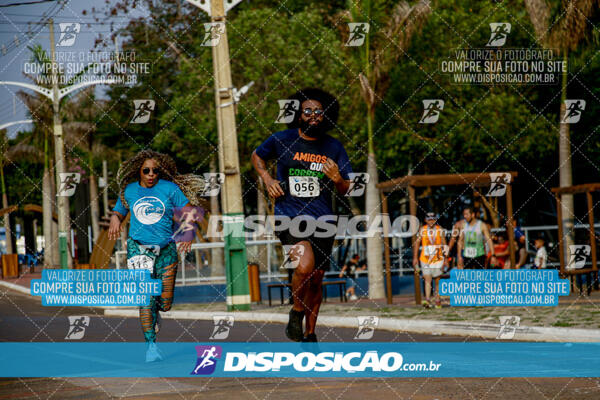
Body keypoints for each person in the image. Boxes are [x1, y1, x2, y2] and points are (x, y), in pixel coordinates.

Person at [251, 88, 352, 342]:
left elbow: (346, 187)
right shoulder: (282, 139)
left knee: (316, 278)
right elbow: (257, 156)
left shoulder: (333, 146)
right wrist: (267, 178)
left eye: (319, 112)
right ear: (299, 116)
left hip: (323, 219)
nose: (314, 115)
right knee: (304, 265)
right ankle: (296, 312)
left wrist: (338, 178)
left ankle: (310, 333)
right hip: (289, 215)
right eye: (308, 111)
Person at [108, 150, 205, 362]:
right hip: (138, 249)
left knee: (166, 302)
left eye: (155, 171)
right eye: (146, 171)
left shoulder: (169, 188)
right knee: (145, 299)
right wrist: (116, 218)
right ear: (138, 172)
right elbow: (119, 211)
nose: (151, 174)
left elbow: (191, 212)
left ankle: (157, 310)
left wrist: (188, 233)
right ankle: (151, 347)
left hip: (166, 250)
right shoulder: (130, 190)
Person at [413, 212, 447, 308]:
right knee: (427, 279)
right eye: (429, 219)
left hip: (438, 258)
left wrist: (446, 258)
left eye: (433, 219)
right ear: (425, 220)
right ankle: (427, 300)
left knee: (437, 280)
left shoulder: (439, 230)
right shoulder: (422, 230)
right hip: (425, 258)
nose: (431, 221)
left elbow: (444, 244)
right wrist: (415, 257)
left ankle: (437, 299)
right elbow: (417, 244)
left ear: (435, 220)